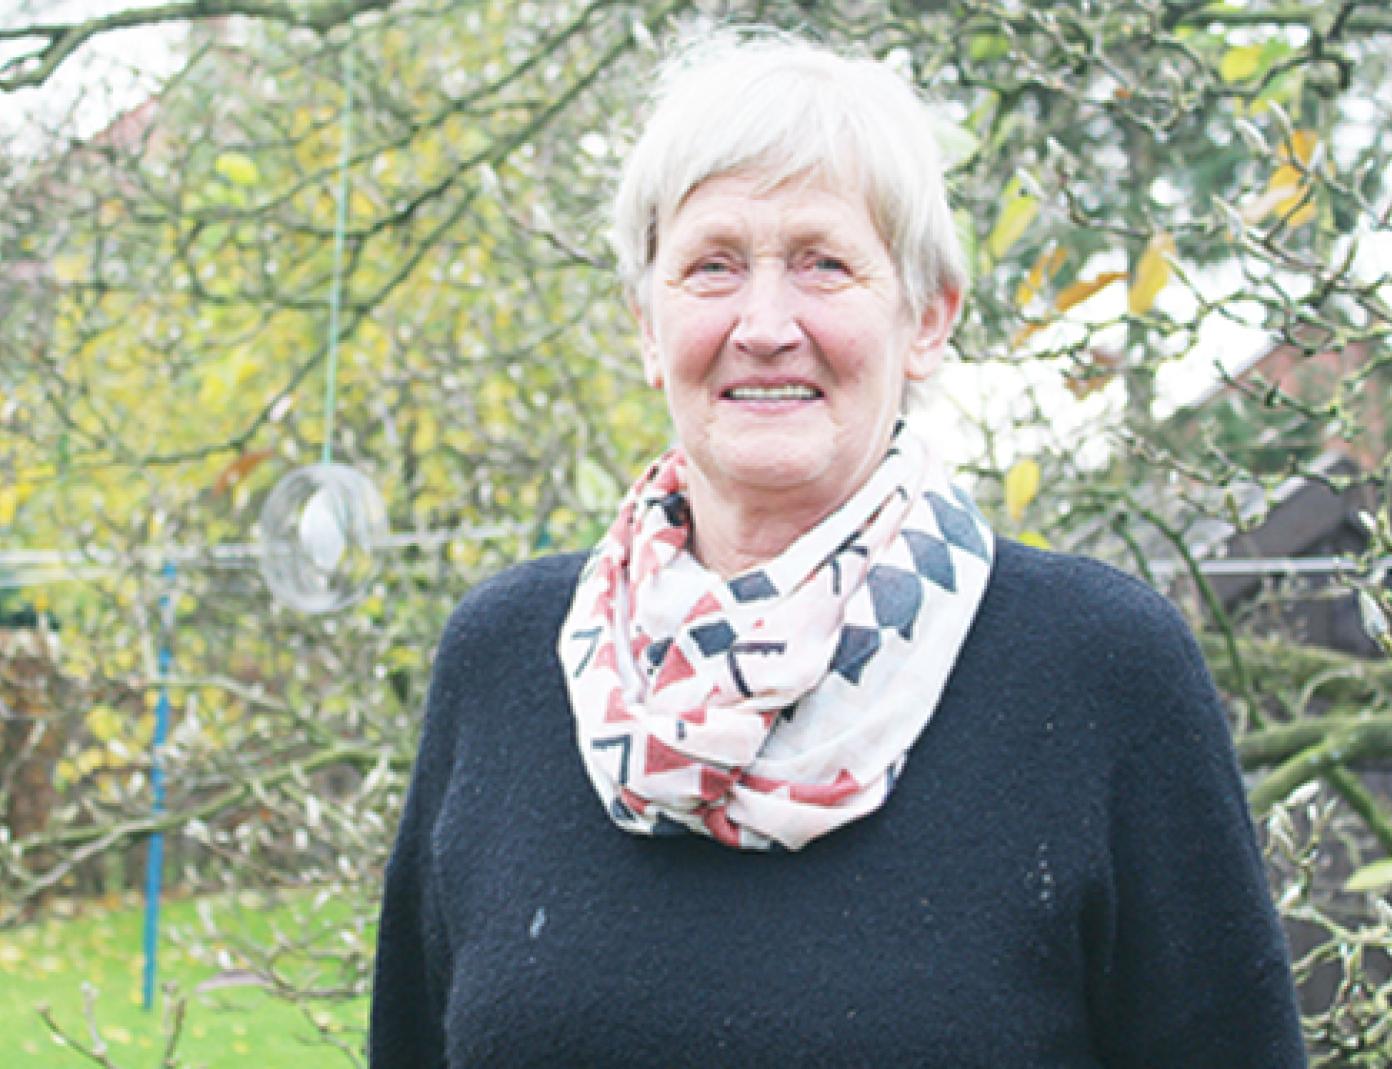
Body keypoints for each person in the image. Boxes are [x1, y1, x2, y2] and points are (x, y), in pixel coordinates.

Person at [369, 30, 1307, 1068]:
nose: (766, 324)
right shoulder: (504, 662)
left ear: (927, 321)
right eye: (713, 266)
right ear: (645, 326)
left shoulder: (1098, 670)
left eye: (823, 263)